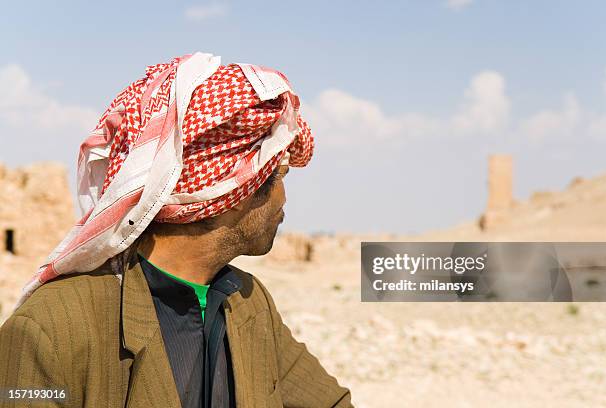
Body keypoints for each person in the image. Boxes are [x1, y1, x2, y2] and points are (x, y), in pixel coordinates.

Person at [0, 52, 352, 408]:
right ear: (228, 189)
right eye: (277, 176)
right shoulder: (50, 329)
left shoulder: (247, 301)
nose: (283, 198)